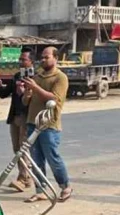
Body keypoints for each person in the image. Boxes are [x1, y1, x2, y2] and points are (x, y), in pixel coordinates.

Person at [22, 46, 72, 203]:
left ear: (55, 58)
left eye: (46, 57)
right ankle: (41, 190)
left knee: (53, 157)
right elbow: (26, 101)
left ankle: (65, 186)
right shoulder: (37, 76)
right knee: (36, 159)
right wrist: (26, 92)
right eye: (42, 57)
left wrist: (35, 88)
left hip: (49, 124)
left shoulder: (60, 78)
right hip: (32, 123)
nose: (43, 60)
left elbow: (54, 99)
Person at [0, 49, 34, 192]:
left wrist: (25, 92)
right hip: (15, 116)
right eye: (20, 59)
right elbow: (5, 94)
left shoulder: (35, 78)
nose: (21, 62)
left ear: (31, 62)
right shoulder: (18, 76)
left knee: (23, 148)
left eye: (24, 60)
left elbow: (34, 100)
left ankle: (24, 178)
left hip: (27, 117)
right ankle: (24, 176)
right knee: (17, 149)